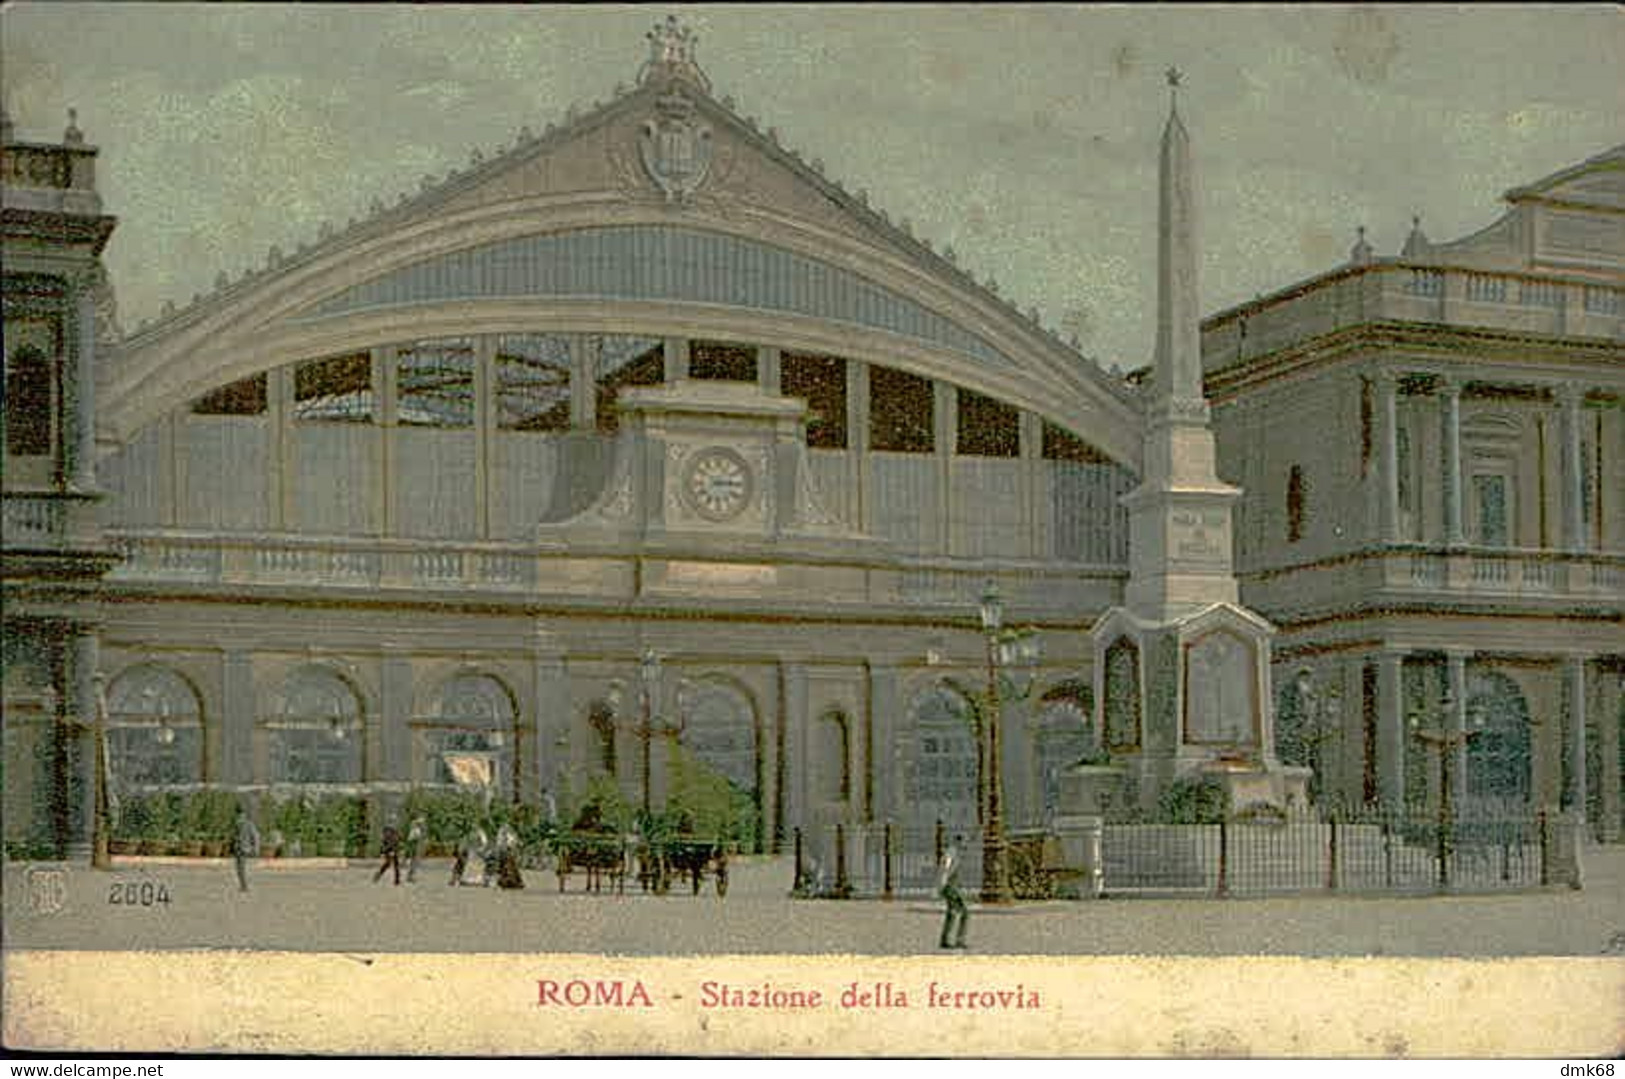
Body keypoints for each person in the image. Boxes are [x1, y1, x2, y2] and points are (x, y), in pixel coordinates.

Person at [938, 834, 967, 950]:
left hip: (951, 886)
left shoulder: (953, 853)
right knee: (963, 912)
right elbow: (945, 869)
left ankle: (946, 939)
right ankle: (957, 940)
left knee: (952, 913)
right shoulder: (951, 853)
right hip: (950, 887)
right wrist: (943, 885)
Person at [232, 804, 260, 894]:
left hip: (244, 848)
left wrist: (255, 848)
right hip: (239, 848)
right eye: (239, 813)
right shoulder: (238, 823)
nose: (240, 815)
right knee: (239, 868)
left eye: (240, 813)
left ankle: (244, 886)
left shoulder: (248, 823)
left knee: (241, 868)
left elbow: (255, 836)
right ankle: (243, 885)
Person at [493, 821, 524, 890]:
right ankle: (507, 881)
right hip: (505, 851)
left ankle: (509, 881)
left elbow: (511, 842)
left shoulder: (508, 831)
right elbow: (504, 842)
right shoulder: (506, 830)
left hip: (506, 851)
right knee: (506, 867)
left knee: (508, 867)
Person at [373, 816, 402, 885]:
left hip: (392, 848)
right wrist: (388, 849)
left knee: (394, 864)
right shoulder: (387, 830)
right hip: (389, 848)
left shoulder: (393, 830)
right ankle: (379, 875)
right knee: (389, 863)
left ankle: (397, 880)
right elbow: (386, 840)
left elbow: (397, 839)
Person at [405, 816, 427, 883]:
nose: (423, 824)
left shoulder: (416, 829)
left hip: (414, 847)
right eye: (422, 823)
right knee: (413, 862)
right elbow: (416, 838)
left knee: (414, 863)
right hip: (413, 847)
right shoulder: (415, 830)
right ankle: (410, 877)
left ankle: (410, 876)